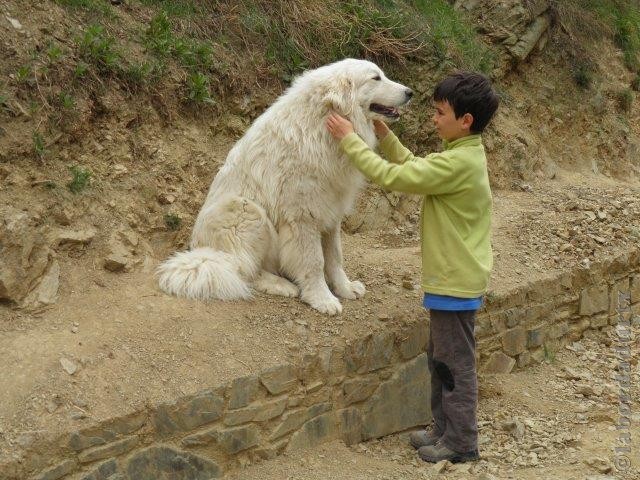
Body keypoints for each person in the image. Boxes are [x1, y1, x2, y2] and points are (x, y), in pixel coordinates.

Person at [326, 71, 499, 464]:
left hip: (455, 285)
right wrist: (384, 136)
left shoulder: (460, 164)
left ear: (465, 120)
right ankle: (443, 429)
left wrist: (349, 139)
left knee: (455, 367)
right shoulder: (461, 155)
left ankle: (461, 442)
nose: (433, 119)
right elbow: (413, 165)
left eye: (440, 113)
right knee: (440, 361)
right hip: (450, 283)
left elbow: (393, 176)